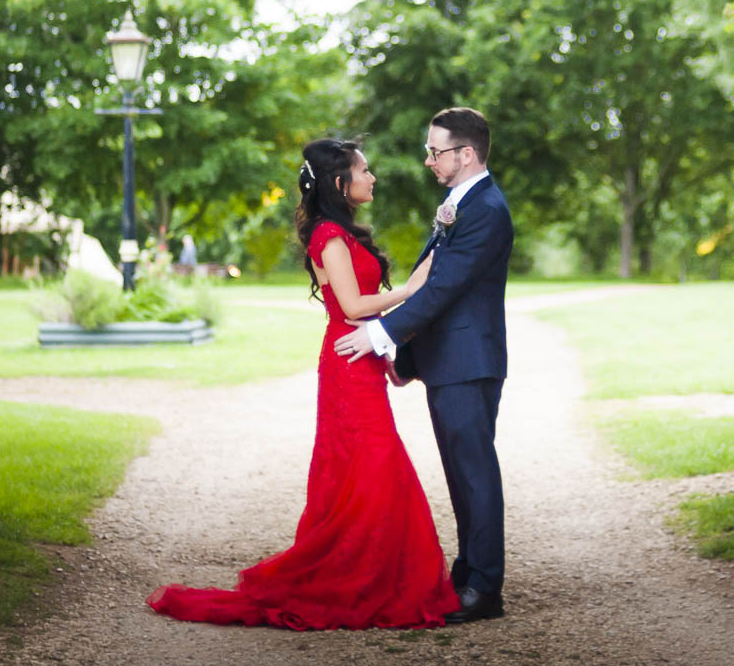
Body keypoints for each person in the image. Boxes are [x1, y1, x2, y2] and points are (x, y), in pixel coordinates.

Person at [146, 138, 458, 630]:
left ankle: (376, 575)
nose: (372, 177)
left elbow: (367, 305)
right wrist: (412, 289)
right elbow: (354, 307)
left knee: (369, 469)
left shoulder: (347, 234)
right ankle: (357, 578)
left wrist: (419, 285)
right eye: (364, 170)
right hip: (346, 366)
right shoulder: (329, 236)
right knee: (373, 465)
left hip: (362, 359)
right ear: (340, 182)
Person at [334, 106, 512, 624]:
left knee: (475, 473)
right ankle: (470, 570)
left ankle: (485, 587)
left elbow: (445, 288)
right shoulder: (460, 202)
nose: (428, 160)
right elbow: (429, 283)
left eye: (436, 152)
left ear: (467, 154)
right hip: (449, 360)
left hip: (468, 361)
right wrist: (407, 355)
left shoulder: (486, 209)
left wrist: (381, 334)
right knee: (461, 473)